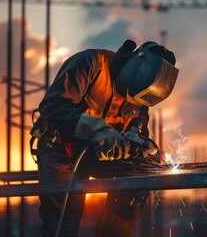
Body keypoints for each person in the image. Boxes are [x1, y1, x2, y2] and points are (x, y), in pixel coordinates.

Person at [30, 39, 179, 237]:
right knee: (64, 222)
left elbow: (138, 128)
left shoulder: (143, 92)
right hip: (60, 152)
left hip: (99, 155)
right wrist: (97, 129)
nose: (129, 102)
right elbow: (51, 106)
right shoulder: (91, 64)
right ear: (134, 67)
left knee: (140, 175)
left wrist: (139, 145)